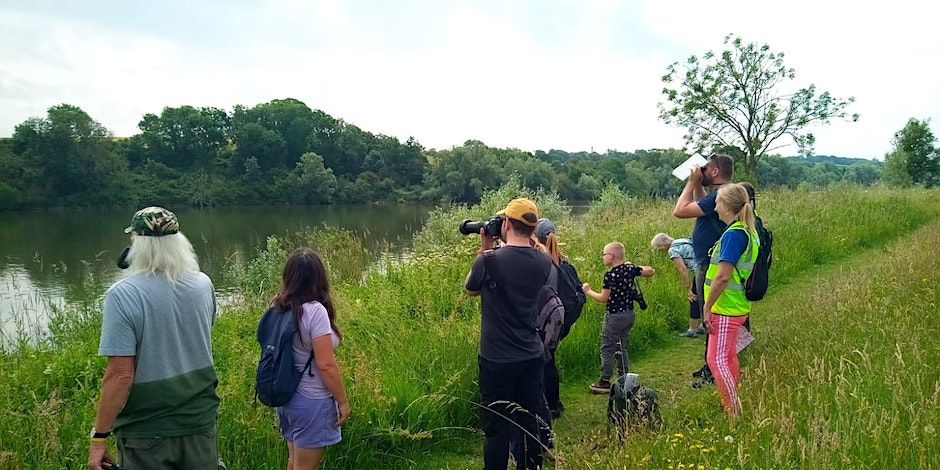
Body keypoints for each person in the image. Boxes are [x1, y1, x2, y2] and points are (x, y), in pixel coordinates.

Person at [88, 207, 220, 470]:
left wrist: (99, 437)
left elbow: (121, 375)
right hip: (200, 423)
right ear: (179, 242)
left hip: (146, 432)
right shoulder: (203, 284)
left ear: (137, 245)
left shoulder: (122, 295)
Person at [465, 198, 553, 470]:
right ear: (534, 228)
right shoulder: (544, 261)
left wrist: (485, 247)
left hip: (496, 359)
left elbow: (471, 289)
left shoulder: (488, 260)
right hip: (531, 354)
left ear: (505, 224)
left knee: (496, 428)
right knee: (529, 420)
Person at [271, 248, 350, 470]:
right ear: (319, 277)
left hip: (286, 397)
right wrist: (343, 401)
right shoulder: (315, 312)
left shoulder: (277, 305)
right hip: (311, 401)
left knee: (294, 463)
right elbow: (326, 365)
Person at [673, 153, 734, 383]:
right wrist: (699, 184)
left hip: (709, 263)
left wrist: (691, 182)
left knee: (710, 314)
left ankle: (714, 365)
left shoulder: (720, 195)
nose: (702, 171)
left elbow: (680, 211)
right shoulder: (721, 195)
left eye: (706, 168)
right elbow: (702, 206)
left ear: (716, 171)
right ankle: (715, 361)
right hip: (709, 260)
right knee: (714, 313)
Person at [703, 184, 759, 416]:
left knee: (716, 360)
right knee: (728, 357)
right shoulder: (746, 231)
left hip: (725, 307)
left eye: (717, 202)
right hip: (735, 305)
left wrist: (707, 306)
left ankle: (733, 411)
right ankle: (731, 400)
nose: (715, 207)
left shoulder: (734, 235)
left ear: (726, 205)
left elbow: (723, 276)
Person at [581, 242, 655, 393]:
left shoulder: (610, 275)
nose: (602, 257)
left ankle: (604, 381)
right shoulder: (630, 269)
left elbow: (603, 298)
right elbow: (650, 271)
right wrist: (633, 266)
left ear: (611, 256)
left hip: (614, 317)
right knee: (622, 347)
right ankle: (624, 378)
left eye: (604, 254)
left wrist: (588, 291)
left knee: (607, 347)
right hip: (629, 314)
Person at [533, 218, 585, 418]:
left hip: (544, 321)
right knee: (549, 359)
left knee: (544, 361)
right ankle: (554, 403)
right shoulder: (563, 260)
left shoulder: (541, 262)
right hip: (561, 321)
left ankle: (548, 406)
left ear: (535, 236)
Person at [650, 233, 702, 337]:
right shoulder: (682, 241)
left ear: (661, 245)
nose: (658, 251)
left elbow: (682, 269)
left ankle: (692, 329)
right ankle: (703, 325)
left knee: (693, 298)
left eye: (658, 248)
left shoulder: (673, 250)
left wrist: (688, 289)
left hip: (699, 271)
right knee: (703, 297)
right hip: (706, 267)